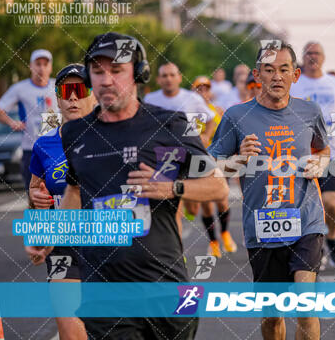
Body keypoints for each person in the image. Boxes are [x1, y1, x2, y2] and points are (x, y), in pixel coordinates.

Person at [53, 32, 228, 339]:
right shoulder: (75, 133)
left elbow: (218, 187)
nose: (107, 80)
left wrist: (170, 189)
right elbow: (75, 191)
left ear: (138, 73)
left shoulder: (172, 124)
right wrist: (52, 237)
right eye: (97, 71)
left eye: (116, 70)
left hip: (165, 287)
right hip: (104, 293)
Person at [209, 41, 329, 340]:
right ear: (257, 75)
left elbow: (323, 150)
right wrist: (239, 159)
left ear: (296, 75)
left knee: (305, 304)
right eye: (269, 70)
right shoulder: (236, 116)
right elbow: (212, 166)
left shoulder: (310, 111)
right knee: (272, 317)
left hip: (306, 218)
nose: (277, 76)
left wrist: (320, 164)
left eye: (284, 69)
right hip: (262, 226)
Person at [24, 63, 95, 340]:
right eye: (67, 91)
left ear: (93, 94)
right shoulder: (44, 144)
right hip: (63, 242)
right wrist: (36, 198)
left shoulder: (111, 139)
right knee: (68, 324)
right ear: (58, 97)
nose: (73, 98)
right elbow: (34, 190)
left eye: (80, 90)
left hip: (107, 242)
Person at [289, 41, 335, 266]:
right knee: (304, 205)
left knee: (331, 201)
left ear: (323, 58)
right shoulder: (294, 84)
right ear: (302, 58)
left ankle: (331, 238)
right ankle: (314, 246)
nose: (312, 57)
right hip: (301, 153)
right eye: (308, 53)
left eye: (316, 53)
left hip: (331, 151)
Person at [0, 49, 56, 190]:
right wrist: (12, 122)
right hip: (31, 150)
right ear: (31, 66)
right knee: (35, 196)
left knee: (59, 195)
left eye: (45, 64)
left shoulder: (58, 85)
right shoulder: (20, 88)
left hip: (56, 148)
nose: (41, 68)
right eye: (38, 64)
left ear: (50, 67)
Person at [191, 75, 238, 257]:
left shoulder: (218, 111)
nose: (203, 92)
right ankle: (213, 242)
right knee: (206, 206)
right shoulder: (191, 112)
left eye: (206, 88)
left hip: (219, 161)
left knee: (222, 200)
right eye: (198, 89)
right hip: (200, 161)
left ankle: (225, 233)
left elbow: (229, 134)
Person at [144, 62, 216, 146]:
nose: (169, 79)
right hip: (158, 149)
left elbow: (210, 119)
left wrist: (205, 137)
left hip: (188, 149)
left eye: (172, 75)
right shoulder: (149, 99)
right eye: (164, 75)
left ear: (180, 78)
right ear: (158, 80)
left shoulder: (193, 98)